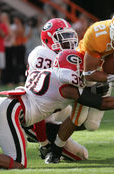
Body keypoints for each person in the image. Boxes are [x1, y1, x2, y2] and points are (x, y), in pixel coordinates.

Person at [0, 49, 114, 169]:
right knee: (17, 163)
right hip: (11, 111)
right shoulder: (67, 88)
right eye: (78, 68)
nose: (81, 72)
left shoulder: (49, 72)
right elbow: (101, 103)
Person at [45, 8, 114, 163]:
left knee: (93, 124)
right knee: (78, 118)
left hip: (106, 76)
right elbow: (89, 73)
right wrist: (112, 77)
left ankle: (56, 128)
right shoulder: (97, 35)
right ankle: (55, 149)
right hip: (83, 73)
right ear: (113, 29)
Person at [25, 18, 84, 161]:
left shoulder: (61, 55)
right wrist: (43, 142)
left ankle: (52, 134)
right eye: (63, 38)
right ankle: (41, 137)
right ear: (48, 39)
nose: (69, 41)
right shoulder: (43, 54)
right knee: (81, 155)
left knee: (80, 115)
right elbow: (38, 97)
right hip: (37, 116)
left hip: (52, 109)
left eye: (70, 36)